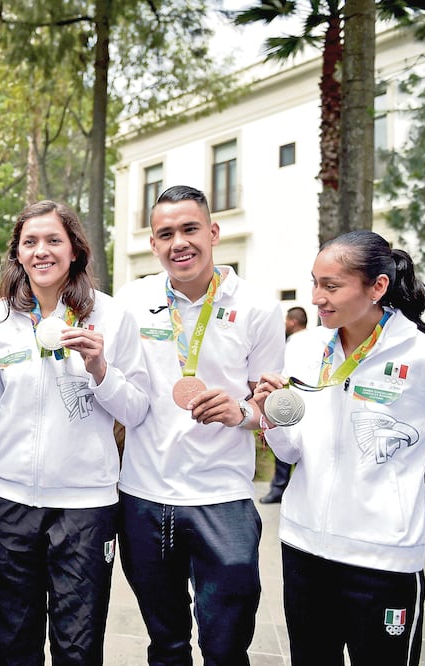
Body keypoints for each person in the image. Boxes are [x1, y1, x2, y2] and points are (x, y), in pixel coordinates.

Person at [253, 230, 425, 664]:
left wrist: (422, 500)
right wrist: (271, 417)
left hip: (383, 563)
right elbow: (292, 453)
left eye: (331, 286)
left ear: (377, 287)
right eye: (314, 283)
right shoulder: (306, 348)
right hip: (303, 551)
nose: (316, 298)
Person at [0, 200, 150, 664]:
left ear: (75, 250)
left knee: (77, 645)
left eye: (54, 240)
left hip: (85, 508)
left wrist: (100, 368)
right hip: (9, 503)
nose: (41, 251)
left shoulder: (112, 318)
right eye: (30, 242)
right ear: (17, 254)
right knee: (12, 642)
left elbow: (136, 408)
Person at [114, 184, 285, 665]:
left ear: (212, 232)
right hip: (144, 496)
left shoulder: (258, 307)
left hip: (222, 498)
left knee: (226, 646)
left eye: (190, 229)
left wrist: (241, 412)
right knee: (165, 645)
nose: (178, 243)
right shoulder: (132, 299)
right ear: (152, 243)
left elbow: (268, 405)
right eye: (165, 233)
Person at [260, 305, 308, 504]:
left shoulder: (296, 343)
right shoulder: (315, 339)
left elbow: (283, 372)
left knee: (286, 445)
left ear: (293, 322)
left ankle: (279, 487)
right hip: (303, 399)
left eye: (287, 320)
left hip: (292, 400)